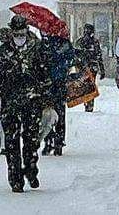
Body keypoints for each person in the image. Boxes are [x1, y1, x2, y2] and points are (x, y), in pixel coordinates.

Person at [0, 14, 50, 193]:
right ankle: (15, 178)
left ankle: (30, 170)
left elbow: (45, 76)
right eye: (16, 34)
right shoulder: (4, 51)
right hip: (10, 103)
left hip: (32, 101)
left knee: (31, 141)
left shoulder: (37, 49)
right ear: (11, 33)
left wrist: (47, 98)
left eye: (22, 33)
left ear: (26, 32)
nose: (19, 37)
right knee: (11, 142)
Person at [39, 24, 76, 157]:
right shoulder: (46, 44)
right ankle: (55, 141)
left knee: (50, 113)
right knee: (55, 113)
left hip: (53, 83)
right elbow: (71, 59)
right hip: (54, 83)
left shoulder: (52, 44)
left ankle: (52, 141)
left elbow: (71, 59)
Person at [73, 24, 104, 112]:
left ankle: (87, 102)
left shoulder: (80, 41)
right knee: (90, 85)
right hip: (90, 67)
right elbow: (99, 56)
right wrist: (102, 69)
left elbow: (75, 55)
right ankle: (89, 103)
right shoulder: (94, 42)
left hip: (83, 67)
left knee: (86, 85)